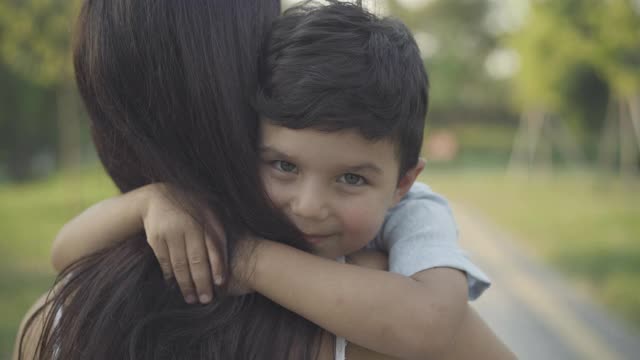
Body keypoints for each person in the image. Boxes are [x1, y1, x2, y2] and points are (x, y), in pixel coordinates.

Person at [15, 1, 514, 359]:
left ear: (404, 182)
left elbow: (430, 321)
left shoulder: (52, 326)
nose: (309, 205)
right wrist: (150, 203)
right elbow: (64, 254)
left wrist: (246, 258)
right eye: (284, 166)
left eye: (351, 178)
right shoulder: (167, 226)